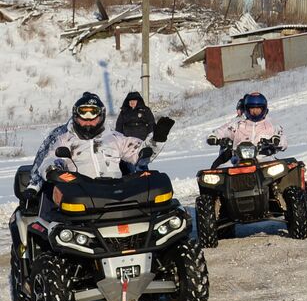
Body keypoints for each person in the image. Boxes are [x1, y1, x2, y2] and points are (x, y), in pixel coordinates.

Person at [22, 93, 172, 213]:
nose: (88, 121)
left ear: (101, 116)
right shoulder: (64, 140)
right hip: (81, 198)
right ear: (75, 116)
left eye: (93, 115)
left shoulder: (114, 138)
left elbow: (140, 154)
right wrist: (52, 171)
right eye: (83, 115)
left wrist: (157, 139)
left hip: (117, 195)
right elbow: (50, 159)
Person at [209, 91, 284, 167]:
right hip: (237, 159)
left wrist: (277, 141)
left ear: (264, 109)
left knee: (282, 168)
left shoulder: (270, 124)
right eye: (252, 109)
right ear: (247, 109)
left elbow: (282, 138)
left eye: (258, 109)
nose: (255, 111)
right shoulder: (237, 123)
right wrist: (213, 137)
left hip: (263, 159)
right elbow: (222, 131)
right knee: (216, 170)